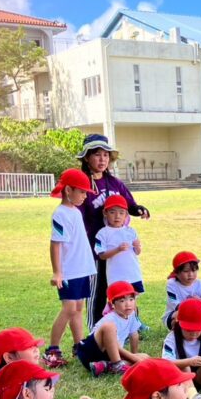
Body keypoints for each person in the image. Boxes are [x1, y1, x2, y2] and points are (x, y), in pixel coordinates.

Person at [75, 134, 150, 327]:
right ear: (86, 158)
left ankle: (132, 323)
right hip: (96, 247)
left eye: (106, 155)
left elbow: (129, 204)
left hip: (121, 246)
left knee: (126, 285)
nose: (102, 160)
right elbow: (76, 215)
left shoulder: (115, 183)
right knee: (99, 288)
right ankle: (95, 327)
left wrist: (139, 209)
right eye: (97, 155)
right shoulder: (82, 185)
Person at [46, 168, 97, 369]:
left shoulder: (75, 212)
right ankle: (52, 350)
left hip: (81, 269)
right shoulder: (60, 214)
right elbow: (55, 243)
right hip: (69, 271)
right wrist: (58, 272)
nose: (85, 196)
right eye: (82, 192)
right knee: (68, 308)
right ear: (68, 190)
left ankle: (79, 345)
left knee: (78, 309)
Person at [74, 281, 148, 377]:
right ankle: (117, 365)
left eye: (131, 299)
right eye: (122, 301)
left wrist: (135, 355)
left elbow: (134, 334)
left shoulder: (132, 314)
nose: (128, 304)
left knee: (145, 357)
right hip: (90, 352)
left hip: (108, 355)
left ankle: (104, 366)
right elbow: (115, 347)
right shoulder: (111, 318)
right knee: (109, 326)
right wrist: (134, 359)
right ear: (112, 304)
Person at [93, 195, 143, 294]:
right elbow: (101, 255)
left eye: (121, 213)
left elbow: (137, 252)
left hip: (133, 274)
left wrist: (138, 247)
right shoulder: (102, 233)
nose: (117, 216)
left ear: (126, 215)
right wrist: (118, 250)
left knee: (132, 302)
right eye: (112, 212)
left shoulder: (131, 231)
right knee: (118, 301)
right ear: (105, 213)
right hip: (116, 276)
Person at [162, 251, 201, 330]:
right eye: (186, 271)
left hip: (197, 312)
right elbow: (176, 305)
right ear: (176, 273)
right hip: (176, 314)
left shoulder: (200, 284)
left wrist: (200, 301)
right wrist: (193, 304)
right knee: (177, 316)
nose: (190, 274)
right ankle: (177, 335)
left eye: (194, 270)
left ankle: (199, 330)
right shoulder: (172, 284)